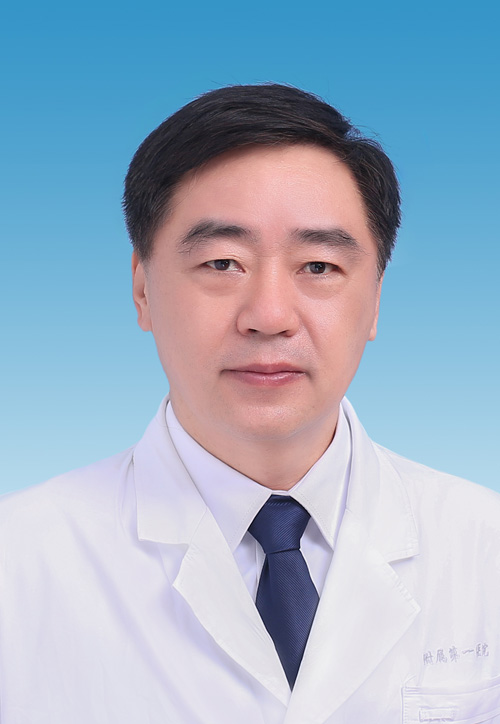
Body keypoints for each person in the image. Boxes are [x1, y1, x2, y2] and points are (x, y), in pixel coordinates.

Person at [0, 84, 499, 723]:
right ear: (142, 289)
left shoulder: (484, 549)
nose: (269, 315)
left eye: (318, 267)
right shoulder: (18, 565)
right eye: (222, 263)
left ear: (375, 299)